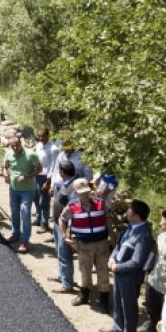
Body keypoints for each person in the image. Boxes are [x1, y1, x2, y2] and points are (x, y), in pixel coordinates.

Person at [101, 199, 155, 332]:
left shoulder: (143, 235)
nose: (126, 212)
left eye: (129, 210)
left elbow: (137, 262)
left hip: (130, 278)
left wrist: (117, 267)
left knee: (129, 308)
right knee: (118, 302)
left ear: (136, 215)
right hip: (119, 273)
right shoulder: (130, 228)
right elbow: (118, 246)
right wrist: (112, 258)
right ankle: (118, 328)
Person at [60, 178, 112, 312]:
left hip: (102, 244)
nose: (84, 195)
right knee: (85, 270)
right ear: (76, 193)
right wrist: (65, 236)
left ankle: (104, 299)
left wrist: (112, 236)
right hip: (83, 245)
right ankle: (84, 294)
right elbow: (62, 219)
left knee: (103, 271)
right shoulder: (72, 207)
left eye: (86, 192)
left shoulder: (100, 203)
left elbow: (107, 218)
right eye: (81, 193)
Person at [2, 136, 42, 254]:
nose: (15, 147)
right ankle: (15, 234)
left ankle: (24, 241)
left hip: (27, 190)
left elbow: (39, 169)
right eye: (12, 145)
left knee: (25, 213)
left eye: (17, 145)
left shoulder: (31, 155)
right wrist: (5, 175)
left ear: (21, 144)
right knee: (14, 212)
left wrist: (27, 176)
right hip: (13, 189)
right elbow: (5, 167)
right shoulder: (8, 154)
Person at [49, 160, 78, 293]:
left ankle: (67, 284)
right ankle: (62, 276)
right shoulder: (63, 183)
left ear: (62, 172)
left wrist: (67, 230)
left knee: (65, 253)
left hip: (65, 226)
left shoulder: (74, 186)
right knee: (59, 252)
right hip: (57, 222)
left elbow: (72, 209)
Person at [33, 127, 57, 233]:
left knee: (44, 201)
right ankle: (38, 218)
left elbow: (54, 165)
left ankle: (45, 223)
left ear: (48, 135)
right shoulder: (38, 146)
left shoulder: (53, 148)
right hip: (36, 175)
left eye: (43, 135)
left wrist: (48, 181)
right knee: (36, 199)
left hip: (46, 177)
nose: (41, 137)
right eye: (39, 135)